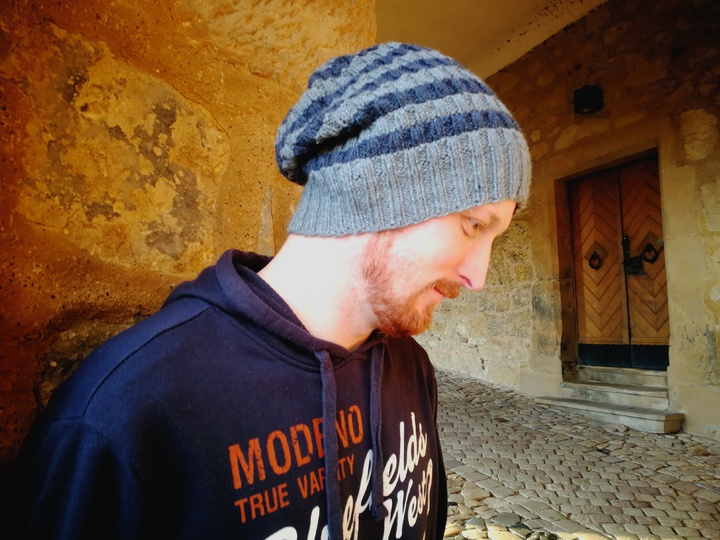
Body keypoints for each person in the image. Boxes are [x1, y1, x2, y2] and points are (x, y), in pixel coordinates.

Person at [9, 42, 531, 539]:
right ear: (378, 191)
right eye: (473, 225)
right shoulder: (122, 413)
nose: (478, 277)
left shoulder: (411, 369)